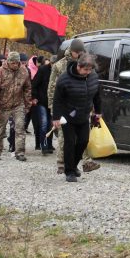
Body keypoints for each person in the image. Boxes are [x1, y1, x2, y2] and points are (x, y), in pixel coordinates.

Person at [48, 39, 99, 174]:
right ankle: (62, 164)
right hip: (65, 108)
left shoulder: (88, 66)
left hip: (82, 108)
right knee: (65, 139)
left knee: (83, 139)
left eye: (81, 52)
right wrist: (54, 111)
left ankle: (82, 162)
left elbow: (94, 90)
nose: (79, 54)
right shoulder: (59, 66)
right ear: (72, 51)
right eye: (77, 52)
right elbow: (53, 88)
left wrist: (96, 109)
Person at [0, 51, 32, 161]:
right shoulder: (0, 72)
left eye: (16, 63)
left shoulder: (23, 71)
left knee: (20, 128)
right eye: (12, 63)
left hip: (18, 104)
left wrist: (27, 105)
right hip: (3, 105)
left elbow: (27, 88)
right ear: (8, 62)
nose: (15, 65)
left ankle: (20, 152)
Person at [32, 55, 53, 154]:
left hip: (53, 102)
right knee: (44, 123)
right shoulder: (42, 70)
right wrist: (35, 97)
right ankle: (43, 145)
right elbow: (34, 84)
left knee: (51, 124)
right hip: (42, 101)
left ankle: (49, 145)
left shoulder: (59, 72)